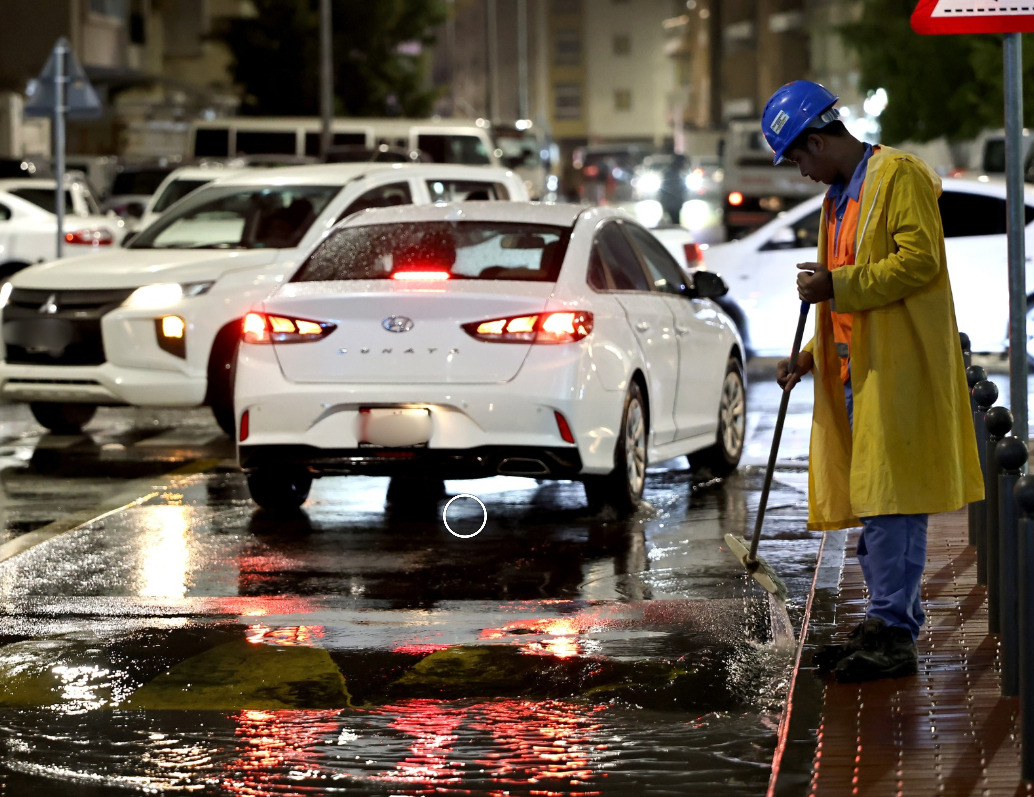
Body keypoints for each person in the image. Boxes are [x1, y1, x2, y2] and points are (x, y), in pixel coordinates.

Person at [760, 80, 983, 683]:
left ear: (816, 139)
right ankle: (887, 619)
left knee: (894, 501)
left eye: (799, 157)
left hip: (900, 368)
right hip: (857, 370)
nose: (800, 171)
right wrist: (808, 356)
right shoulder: (839, 198)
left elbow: (919, 262)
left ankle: (894, 632)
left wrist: (835, 286)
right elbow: (850, 298)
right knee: (878, 501)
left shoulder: (898, 176)